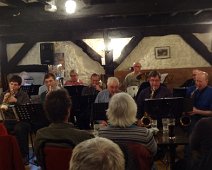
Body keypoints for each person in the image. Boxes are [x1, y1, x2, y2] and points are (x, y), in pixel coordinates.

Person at [34, 89, 94, 165]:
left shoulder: (40, 135)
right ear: (68, 110)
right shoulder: (84, 137)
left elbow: (41, 162)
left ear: (47, 112)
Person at [98, 93, 157, 163]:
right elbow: (154, 153)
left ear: (110, 111)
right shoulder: (145, 134)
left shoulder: (101, 135)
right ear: (134, 110)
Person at [0, 75, 31, 163]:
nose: (12, 86)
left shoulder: (24, 95)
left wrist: (16, 101)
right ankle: (6, 154)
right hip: (9, 120)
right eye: (11, 84)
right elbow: (2, 109)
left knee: (19, 128)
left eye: (15, 84)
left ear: (19, 86)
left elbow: (27, 110)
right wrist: (4, 101)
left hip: (22, 121)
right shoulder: (3, 94)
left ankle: (23, 155)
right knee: (2, 128)